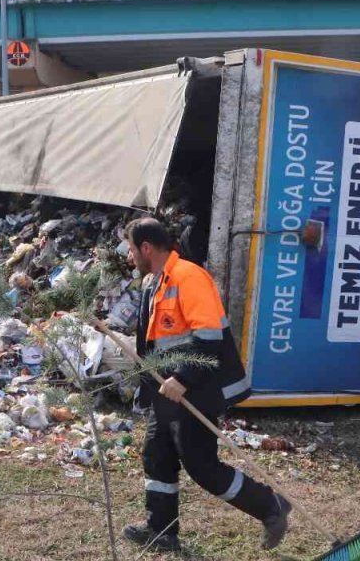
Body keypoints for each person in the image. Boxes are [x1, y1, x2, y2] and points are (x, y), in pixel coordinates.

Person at [122, 217, 291, 552]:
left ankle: (270, 506)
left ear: (146, 247)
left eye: (130, 249)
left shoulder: (189, 277)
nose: (129, 257)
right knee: (157, 457)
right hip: (167, 390)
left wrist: (182, 379)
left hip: (196, 387)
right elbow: (156, 342)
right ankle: (162, 531)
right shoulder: (151, 283)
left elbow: (209, 337)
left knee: (202, 467)